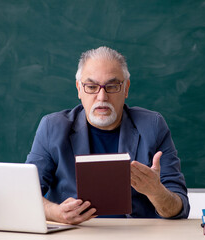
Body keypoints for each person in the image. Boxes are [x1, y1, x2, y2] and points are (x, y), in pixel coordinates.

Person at [26, 46, 190, 224]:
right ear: (79, 89)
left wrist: (155, 191)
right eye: (91, 87)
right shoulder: (52, 127)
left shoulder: (153, 126)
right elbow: (24, 193)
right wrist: (55, 212)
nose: (102, 96)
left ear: (126, 88)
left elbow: (179, 209)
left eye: (112, 86)